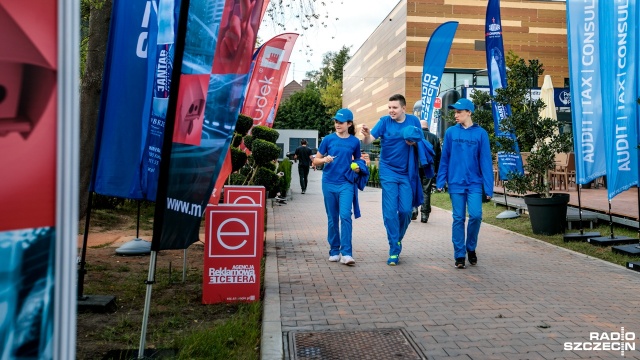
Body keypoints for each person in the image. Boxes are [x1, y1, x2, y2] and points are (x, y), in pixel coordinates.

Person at [361, 94, 422, 266]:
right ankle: (394, 249)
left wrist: (414, 144)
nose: (391, 111)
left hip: (407, 172)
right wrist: (366, 134)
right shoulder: (384, 122)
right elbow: (369, 140)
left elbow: (422, 143)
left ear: (403, 108)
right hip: (388, 171)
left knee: (405, 211)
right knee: (389, 212)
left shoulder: (413, 121)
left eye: (394, 108)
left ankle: (397, 239)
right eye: (389, 108)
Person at [436, 98, 493, 269]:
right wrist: (441, 180)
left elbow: (486, 162)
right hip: (455, 183)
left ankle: (471, 248)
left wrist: (488, 187)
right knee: (458, 218)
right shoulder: (451, 133)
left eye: (459, 112)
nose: (456, 115)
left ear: (469, 112)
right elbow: (444, 158)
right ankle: (459, 255)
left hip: (475, 183)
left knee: (476, 215)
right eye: (454, 112)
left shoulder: (481, 134)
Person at [313, 108, 363, 266]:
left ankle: (347, 253)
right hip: (328, 182)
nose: (337, 124)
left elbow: (359, 160)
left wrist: (357, 167)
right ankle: (334, 250)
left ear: (349, 124)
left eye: (340, 122)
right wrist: (324, 160)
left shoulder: (354, 142)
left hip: (346, 183)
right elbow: (315, 161)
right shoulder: (328, 139)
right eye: (335, 122)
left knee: (345, 216)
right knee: (332, 218)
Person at [411, 120, 441, 223]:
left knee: (414, 188)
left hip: (415, 166)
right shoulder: (434, 137)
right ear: (427, 127)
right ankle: (425, 215)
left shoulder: (415, 136)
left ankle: (414, 210)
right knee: (426, 190)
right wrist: (436, 170)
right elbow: (438, 156)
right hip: (429, 167)